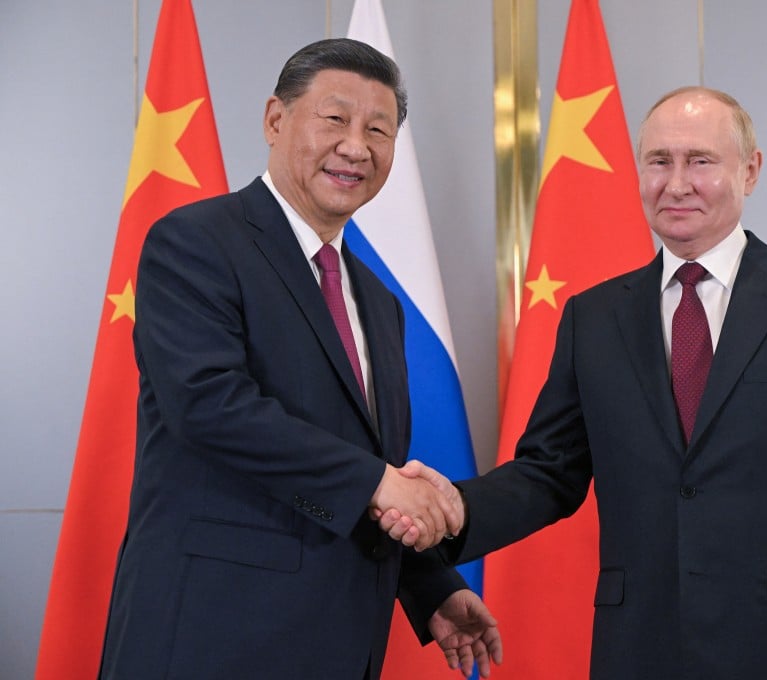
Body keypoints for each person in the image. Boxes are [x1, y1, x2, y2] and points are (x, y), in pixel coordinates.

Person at [382, 87, 767, 679]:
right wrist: (455, 506)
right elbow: (549, 474)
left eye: (701, 161)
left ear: (751, 169)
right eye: (659, 161)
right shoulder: (594, 317)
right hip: (638, 650)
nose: (677, 182)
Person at [99, 38, 501, 680]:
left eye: (379, 130)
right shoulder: (196, 241)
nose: (357, 147)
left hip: (339, 642)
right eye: (335, 119)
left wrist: (430, 588)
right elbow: (208, 405)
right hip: (213, 636)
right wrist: (379, 482)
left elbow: (370, 466)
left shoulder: (376, 299)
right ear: (275, 120)